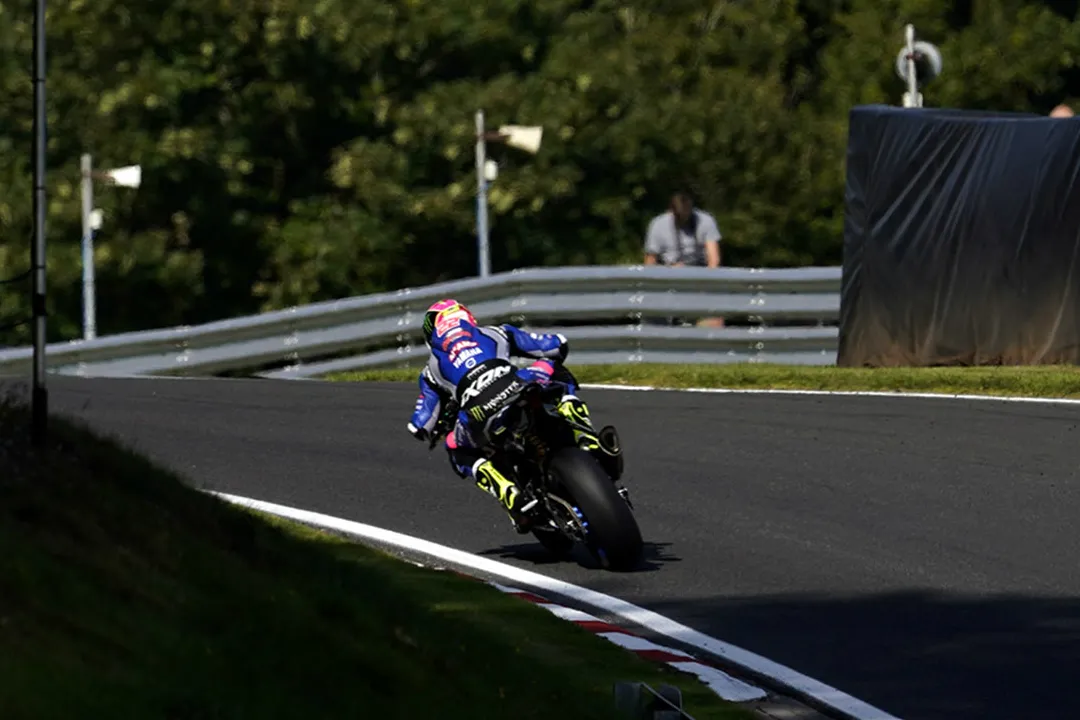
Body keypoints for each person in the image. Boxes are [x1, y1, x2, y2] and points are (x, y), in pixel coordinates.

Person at [406, 299, 618, 532]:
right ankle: (584, 433)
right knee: (553, 370)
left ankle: (506, 490)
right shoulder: (497, 332)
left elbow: (421, 424)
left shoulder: (430, 370)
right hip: (518, 384)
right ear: (468, 318)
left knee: (455, 447)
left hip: (478, 412)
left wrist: (434, 427)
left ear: (431, 335)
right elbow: (556, 345)